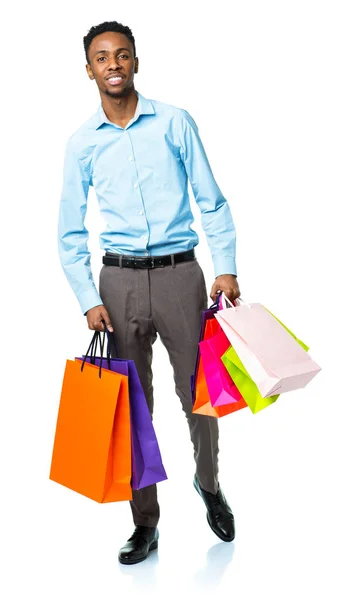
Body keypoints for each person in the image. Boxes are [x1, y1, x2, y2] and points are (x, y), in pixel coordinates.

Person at [58, 20, 241, 565]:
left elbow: (211, 200)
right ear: (88, 69)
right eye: (101, 57)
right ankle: (145, 523)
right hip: (117, 285)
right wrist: (88, 296)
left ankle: (208, 484)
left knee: (201, 396)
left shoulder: (175, 123)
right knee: (129, 407)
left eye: (121, 55)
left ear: (137, 62)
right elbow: (69, 230)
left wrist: (225, 266)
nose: (112, 64)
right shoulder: (82, 144)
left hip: (181, 275)